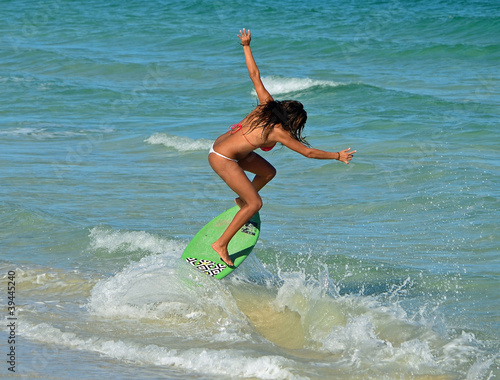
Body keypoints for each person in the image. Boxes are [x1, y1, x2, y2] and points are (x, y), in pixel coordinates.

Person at [209, 29, 355, 266]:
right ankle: (221, 244)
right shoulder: (278, 131)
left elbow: (255, 76)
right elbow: (307, 152)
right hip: (222, 157)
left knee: (268, 172)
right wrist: (337, 155)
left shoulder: (266, 106)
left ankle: (241, 201)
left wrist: (246, 46)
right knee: (256, 203)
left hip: (224, 147)